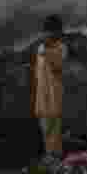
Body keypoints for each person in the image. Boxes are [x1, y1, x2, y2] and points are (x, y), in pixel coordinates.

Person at [30, 15, 67, 159]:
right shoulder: (40, 48)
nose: (49, 35)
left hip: (53, 96)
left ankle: (55, 157)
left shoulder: (61, 48)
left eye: (52, 32)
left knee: (54, 130)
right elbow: (38, 73)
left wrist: (47, 51)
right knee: (45, 129)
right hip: (42, 96)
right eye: (48, 32)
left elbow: (57, 66)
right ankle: (50, 157)